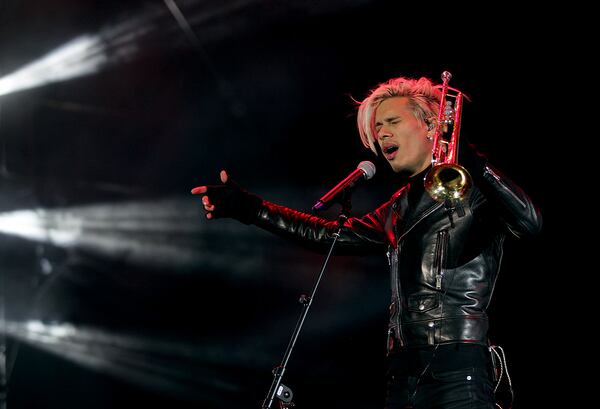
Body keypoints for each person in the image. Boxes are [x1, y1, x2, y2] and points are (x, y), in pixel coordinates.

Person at [191, 75, 542, 409]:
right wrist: (252, 209)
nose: (381, 134)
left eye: (392, 121)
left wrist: (475, 163)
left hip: (457, 364)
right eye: (377, 127)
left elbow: (530, 223)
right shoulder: (398, 207)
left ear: (432, 126)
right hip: (402, 369)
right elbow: (328, 236)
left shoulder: (473, 187)